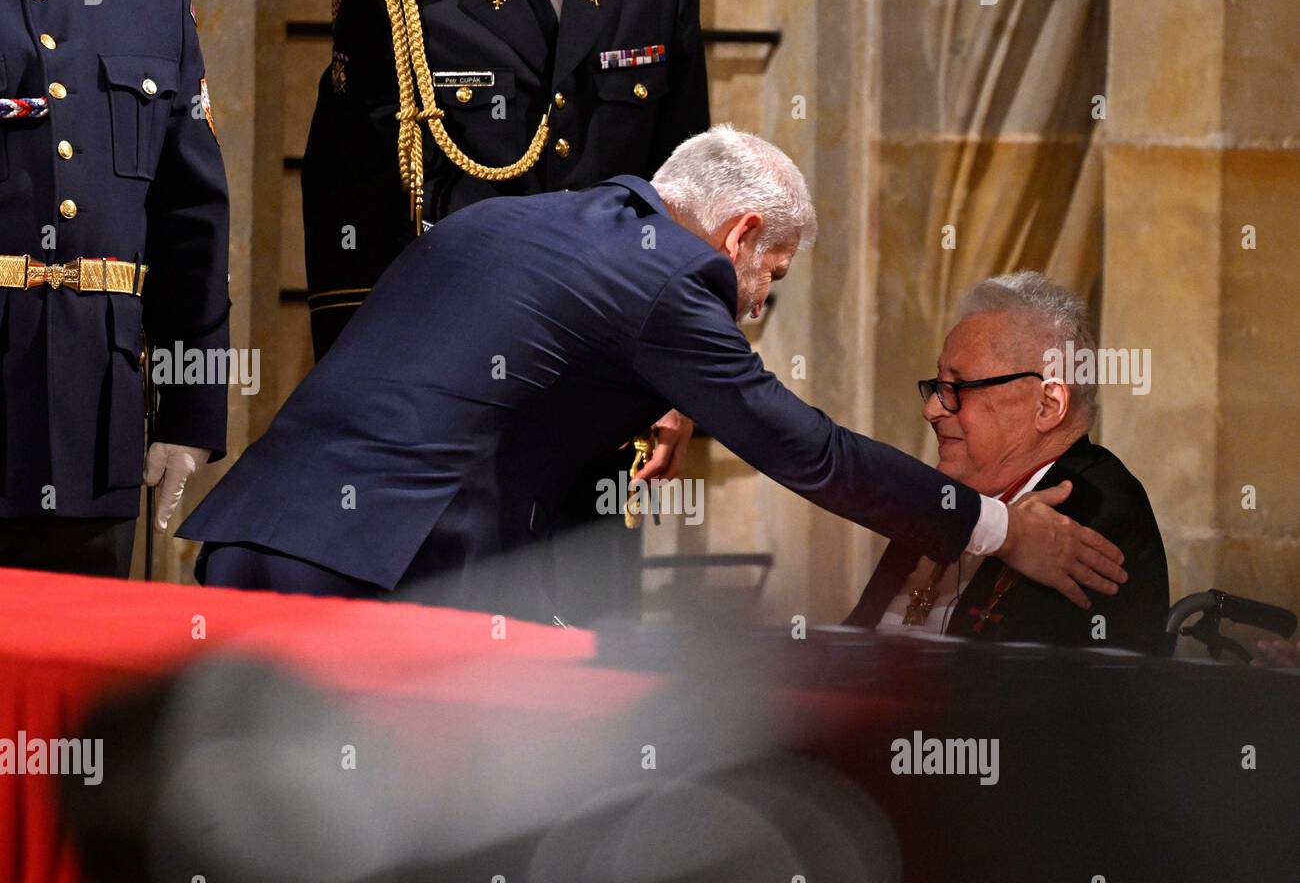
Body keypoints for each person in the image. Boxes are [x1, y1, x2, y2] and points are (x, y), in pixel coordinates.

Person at [177, 128, 1127, 621]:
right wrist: (996, 530)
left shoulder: (509, 219)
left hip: (252, 536)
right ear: (742, 236)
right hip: (368, 581)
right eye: (771, 280)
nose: (753, 306)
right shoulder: (672, 280)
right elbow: (809, 452)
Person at [302, 0, 711, 623]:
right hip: (445, 407)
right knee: (443, 659)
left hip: (604, 401)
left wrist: (677, 383)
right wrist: (360, 399)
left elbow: (685, 199)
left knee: (590, 662)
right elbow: (350, 202)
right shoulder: (404, 3)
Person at [0, 0, 230, 578]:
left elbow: (190, 224)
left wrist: (188, 414)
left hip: (96, 418)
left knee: (81, 656)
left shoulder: (154, 9)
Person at [845, 272, 1170, 654]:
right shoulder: (947, 494)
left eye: (957, 389)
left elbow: (1024, 697)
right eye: (936, 387)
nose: (931, 409)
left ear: (1048, 406)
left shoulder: (1098, 508)